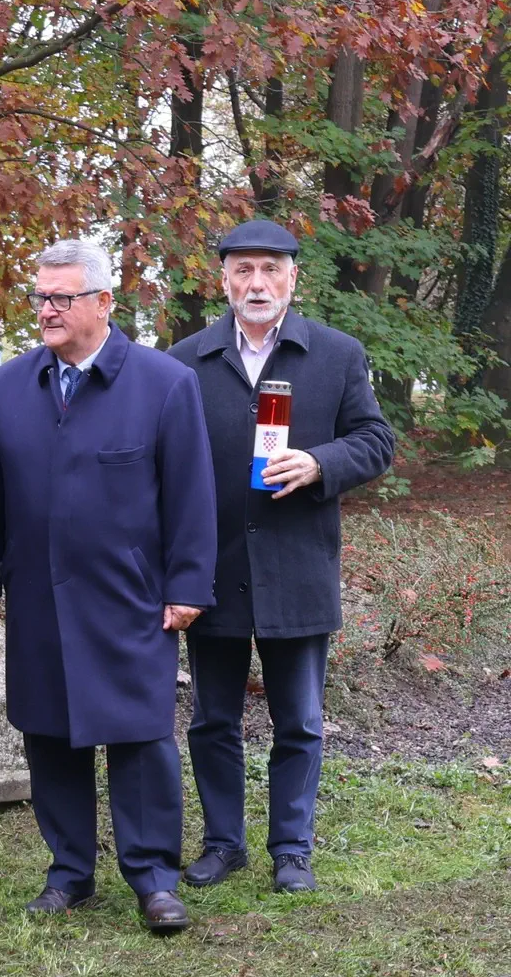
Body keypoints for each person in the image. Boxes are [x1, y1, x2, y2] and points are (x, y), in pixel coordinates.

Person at [0, 239, 217, 935]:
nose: (45, 309)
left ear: (104, 303)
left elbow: (192, 495)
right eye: (39, 296)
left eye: (61, 297)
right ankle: (69, 872)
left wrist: (188, 584)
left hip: (130, 597)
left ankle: (154, 879)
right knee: (50, 734)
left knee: (139, 738)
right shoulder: (12, 384)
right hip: (38, 592)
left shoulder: (164, 383)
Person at [168, 218, 395, 894]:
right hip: (213, 568)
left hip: (298, 565)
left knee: (298, 719)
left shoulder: (336, 354)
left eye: (271, 269)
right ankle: (223, 842)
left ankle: (292, 849)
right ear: (224, 279)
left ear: (294, 277)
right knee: (212, 718)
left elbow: (376, 440)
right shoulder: (185, 361)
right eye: (244, 270)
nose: (257, 282)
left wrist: (320, 462)